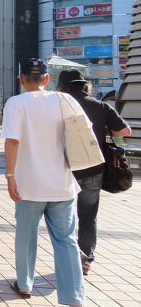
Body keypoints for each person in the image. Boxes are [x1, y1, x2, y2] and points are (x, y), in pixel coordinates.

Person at [1, 58, 85, 306]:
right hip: (62, 184)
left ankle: (25, 285)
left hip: (28, 185)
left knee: (26, 237)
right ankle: (74, 296)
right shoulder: (64, 100)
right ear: (47, 79)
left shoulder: (16, 103)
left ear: (21, 79)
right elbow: (83, 131)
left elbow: (12, 141)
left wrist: (9, 176)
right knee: (66, 241)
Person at [57, 70, 131, 275]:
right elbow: (125, 131)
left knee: (63, 214)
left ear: (62, 87)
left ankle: (69, 255)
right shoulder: (100, 106)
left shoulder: (57, 106)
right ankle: (86, 258)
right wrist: (108, 132)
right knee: (88, 216)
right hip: (93, 168)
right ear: (84, 86)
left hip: (64, 167)